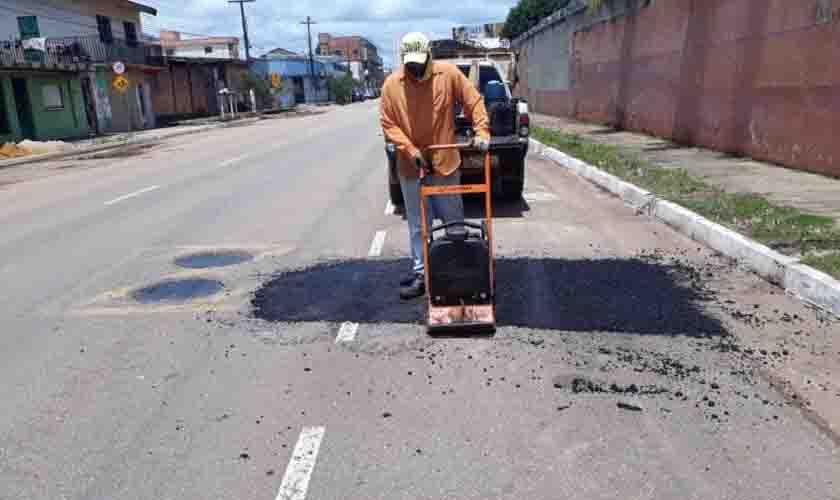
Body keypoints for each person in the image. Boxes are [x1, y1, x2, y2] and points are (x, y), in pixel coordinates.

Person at [381, 32, 490, 300]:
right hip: (411, 166)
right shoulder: (391, 85)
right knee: (419, 225)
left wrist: (482, 132)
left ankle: (459, 271)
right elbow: (388, 124)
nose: (416, 68)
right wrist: (410, 150)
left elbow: (473, 101)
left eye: (420, 62)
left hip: (445, 163)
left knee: (454, 221)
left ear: (429, 56)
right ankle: (422, 273)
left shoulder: (448, 75)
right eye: (410, 64)